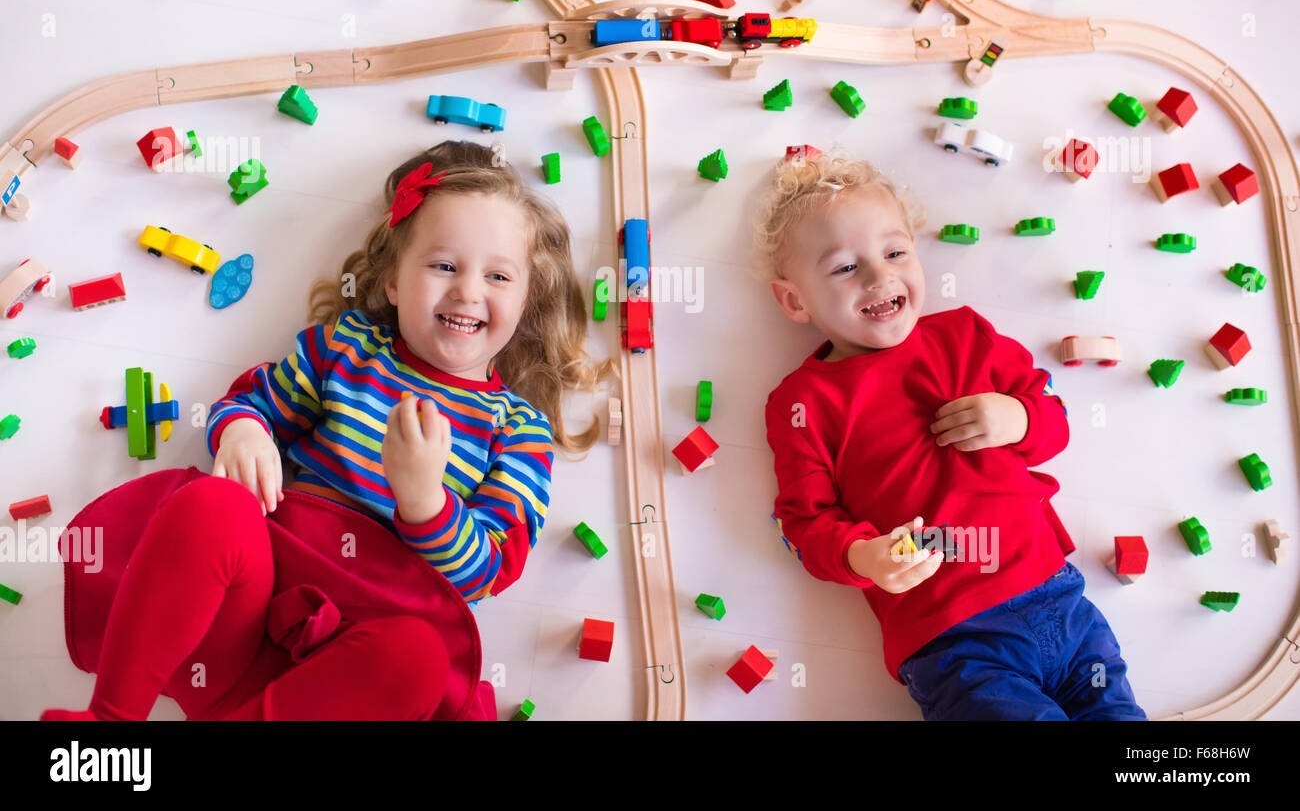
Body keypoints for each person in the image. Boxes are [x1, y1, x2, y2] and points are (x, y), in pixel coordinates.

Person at [42, 140, 612, 721]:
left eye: (498, 275)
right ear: (392, 280)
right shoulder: (348, 347)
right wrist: (244, 434)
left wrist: (425, 501)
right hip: (250, 607)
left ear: (526, 297)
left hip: (352, 665)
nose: (468, 290)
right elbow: (255, 403)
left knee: (417, 656)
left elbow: (488, 573)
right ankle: (110, 723)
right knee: (211, 504)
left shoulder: (519, 430)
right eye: (444, 265)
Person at [754, 148, 1145, 720]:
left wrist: (1018, 418)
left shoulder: (965, 335)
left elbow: (1052, 415)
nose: (879, 275)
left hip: (1058, 596)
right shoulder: (802, 403)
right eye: (844, 267)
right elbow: (804, 523)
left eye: (895, 252)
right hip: (954, 637)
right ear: (794, 299)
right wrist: (864, 555)